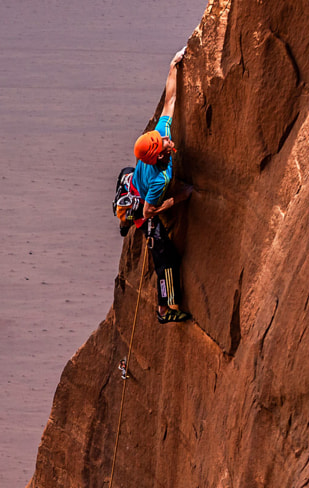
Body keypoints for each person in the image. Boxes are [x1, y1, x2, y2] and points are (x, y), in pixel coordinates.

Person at [132, 47, 194, 324]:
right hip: (146, 200)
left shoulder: (161, 133)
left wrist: (173, 65)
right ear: (159, 154)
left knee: (166, 258)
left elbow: (170, 100)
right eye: (164, 143)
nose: (168, 138)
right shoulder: (160, 179)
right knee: (166, 261)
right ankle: (165, 310)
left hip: (136, 182)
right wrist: (174, 201)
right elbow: (147, 212)